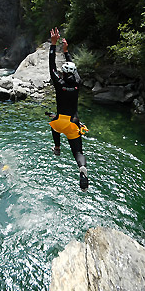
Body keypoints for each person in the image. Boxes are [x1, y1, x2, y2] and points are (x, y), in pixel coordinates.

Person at [48, 27, 89, 191]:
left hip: (60, 122)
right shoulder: (77, 84)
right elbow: (75, 70)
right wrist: (67, 52)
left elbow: (51, 67)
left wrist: (53, 45)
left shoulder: (60, 84)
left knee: (53, 122)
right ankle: (82, 169)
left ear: (63, 74)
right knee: (78, 152)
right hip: (73, 123)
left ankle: (57, 148)